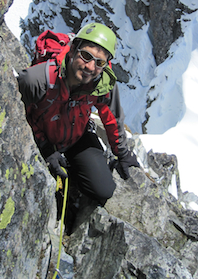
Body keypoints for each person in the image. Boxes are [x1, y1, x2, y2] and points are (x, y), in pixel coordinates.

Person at [18, 23, 140, 207]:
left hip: (77, 136)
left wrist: (122, 154)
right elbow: (18, 113)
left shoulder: (102, 84)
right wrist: (45, 147)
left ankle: (73, 175)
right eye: (86, 56)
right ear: (73, 49)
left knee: (104, 190)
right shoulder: (38, 79)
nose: (91, 67)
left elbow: (112, 118)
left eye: (99, 63)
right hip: (45, 139)